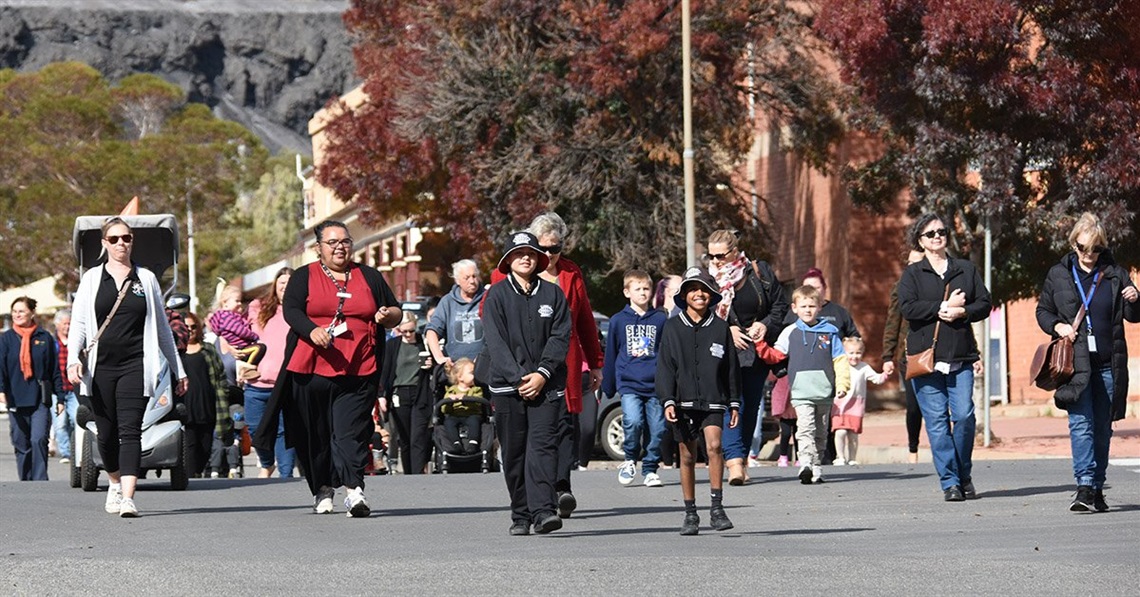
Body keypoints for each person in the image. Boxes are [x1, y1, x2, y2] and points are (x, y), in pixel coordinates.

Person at [252, 220, 401, 517]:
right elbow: (292, 310)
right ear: (318, 248)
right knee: (315, 434)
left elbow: (395, 310)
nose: (340, 247)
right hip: (311, 369)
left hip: (358, 367)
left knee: (350, 431)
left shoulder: (369, 276)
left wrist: (387, 316)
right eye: (332, 243)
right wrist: (310, 330)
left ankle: (355, 491)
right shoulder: (304, 276)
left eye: (345, 241)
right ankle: (322, 487)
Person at [67, 217, 188, 516]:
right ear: (104, 243)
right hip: (100, 368)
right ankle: (114, 482)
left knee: (130, 430)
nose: (122, 243)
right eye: (115, 239)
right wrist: (73, 359)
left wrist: (179, 371)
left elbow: (162, 329)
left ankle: (129, 498)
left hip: (136, 365)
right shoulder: (92, 279)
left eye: (127, 238)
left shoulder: (145, 279)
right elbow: (79, 325)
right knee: (106, 434)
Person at [491, 213, 603, 517]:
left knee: (564, 425)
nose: (550, 255)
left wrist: (595, 362)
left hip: (562, 361)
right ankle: (532, 501)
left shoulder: (570, 274)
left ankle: (561, 486)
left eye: (556, 248)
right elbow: (493, 329)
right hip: (518, 367)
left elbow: (584, 321)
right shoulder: (502, 280)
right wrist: (516, 375)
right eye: (544, 248)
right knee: (525, 439)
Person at [1036, 212, 1139, 512]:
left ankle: (1097, 487)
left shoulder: (1115, 273)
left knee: (1102, 429)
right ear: (1074, 244)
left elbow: (1133, 316)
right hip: (1076, 365)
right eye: (1082, 248)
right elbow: (1043, 311)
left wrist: (1135, 298)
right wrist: (1058, 326)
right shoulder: (1059, 274)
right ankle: (1083, 485)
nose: (1088, 255)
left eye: (1095, 248)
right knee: (1080, 425)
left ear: (1102, 246)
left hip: (1109, 363)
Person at [478, 231, 571, 536]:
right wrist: (518, 378)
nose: (526, 258)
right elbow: (496, 341)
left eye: (531, 253)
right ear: (508, 261)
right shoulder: (497, 296)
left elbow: (560, 337)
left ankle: (544, 511)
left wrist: (543, 373)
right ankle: (520, 515)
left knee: (543, 448)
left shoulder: (553, 295)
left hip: (546, 386)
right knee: (515, 452)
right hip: (508, 388)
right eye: (519, 254)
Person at [897, 214, 991, 502]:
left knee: (964, 417)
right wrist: (942, 306)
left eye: (941, 231)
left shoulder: (965, 269)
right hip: (925, 359)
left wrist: (963, 312)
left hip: (960, 356)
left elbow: (985, 303)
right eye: (930, 234)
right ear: (920, 241)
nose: (937, 236)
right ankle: (950, 482)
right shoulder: (913, 274)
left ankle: (963, 474)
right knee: (937, 423)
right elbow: (907, 308)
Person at [655, 267, 739, 535]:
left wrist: (734, 401)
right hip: (682, 401)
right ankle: (690, 513)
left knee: (714, 446)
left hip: (714, 398)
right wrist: (668, 400)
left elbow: (731, 368)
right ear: (684, 296)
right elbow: (665, 367)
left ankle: (717, 508)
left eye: (704, 289)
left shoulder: (720, 327)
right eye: (693, 289)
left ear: (712, 295)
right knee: (687, 455)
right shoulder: (672, 327)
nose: (699, 294)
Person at [705, 228, 789, 485]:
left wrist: (765, 325)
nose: (716, 261)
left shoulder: (758, 272)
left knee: (751, 406)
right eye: (711, 256)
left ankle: (740, 456)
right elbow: (701, 311)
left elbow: (780, 305)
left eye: (720, 256)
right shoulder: (708, 279)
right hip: (722, 349)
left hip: (755, 350)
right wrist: (728, 328)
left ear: (734, 251)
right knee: (733, 402)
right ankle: (734, 463)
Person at [760, 285, 850, 484]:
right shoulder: (789, 332)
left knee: (821, 431)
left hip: (825, 390)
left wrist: (843, 384)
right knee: (805, 428)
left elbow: (840, 360)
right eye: (803, 306)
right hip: (801, 392)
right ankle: (806, 463)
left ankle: (816, 465)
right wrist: (760, 345)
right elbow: (776, 355)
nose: (808, 310)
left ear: (819, 307)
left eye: (812, 305)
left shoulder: (830, 332)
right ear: (794, 308)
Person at [602, 270, 667, 488]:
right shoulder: (619, 320)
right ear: (626, 292)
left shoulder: (660, 319)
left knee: (657, 428)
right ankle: (630, 459)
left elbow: (666, 353)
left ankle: (650, 469)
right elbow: (611, 353)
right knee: (633, 421)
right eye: (637, 289)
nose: (642, 293)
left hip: (655, 384)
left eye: (646, 288)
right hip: (629, 383)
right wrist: (608, 385)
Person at [0, 297, 64, 480]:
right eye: (14, 311)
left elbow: (54, 370)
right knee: (21, 444)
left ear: (31, 313)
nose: (17, 315)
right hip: (14, 398)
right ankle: (26, 482)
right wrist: (1, 390)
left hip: (39, 399)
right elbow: (1, 368)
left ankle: (40, 481)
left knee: (38, 439)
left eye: (21, 311)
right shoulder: (6, 339)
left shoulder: (44, 338)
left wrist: (60, 397)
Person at [245, 267, 297, 478]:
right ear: (275, 286)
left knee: (284, 432)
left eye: (290, 282)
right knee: (255, 429)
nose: (285, 286)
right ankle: (267, 463)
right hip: (257, 383)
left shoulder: (300, 311)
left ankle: (286, 476)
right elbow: (240, 337)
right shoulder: (258, 307)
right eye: (281, 282)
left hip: (287, 383)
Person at [882, 250, 926, 464]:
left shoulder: (937, 286)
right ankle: (913, 448)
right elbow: (893, 322)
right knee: (914, 405)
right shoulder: (900, 287)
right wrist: (888, 356)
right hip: (908, 355)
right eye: (910, 263)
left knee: (938, 405)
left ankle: (941, 447)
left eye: (918, 263)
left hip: (936, 352)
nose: (913, 267)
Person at [380, 312, 434, 474]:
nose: (409, 335)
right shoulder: (392, 345)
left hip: (420, 392)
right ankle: (409, 474)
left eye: (411, 330)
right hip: (399, 392)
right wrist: (382, 395)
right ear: (398, 330)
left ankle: (417, 473)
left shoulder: (423, 343)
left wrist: (430, 364)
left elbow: (435, 365)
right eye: (405, 331)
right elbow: (385, 371)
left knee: (418, 435)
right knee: (404, 437)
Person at [180, 312, 231, 478]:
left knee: (205, 446)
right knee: (190, 445)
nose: (190, 330)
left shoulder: (208, 350)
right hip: (185, 409)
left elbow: (220, 378)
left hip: (207, 407)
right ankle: (190, 477)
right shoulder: (176, 352)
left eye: (194, 327)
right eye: (186, 327)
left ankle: (196, 472)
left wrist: (223, 398)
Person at [832, 337, 887, 465]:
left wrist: (886, 373)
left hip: (856, 405)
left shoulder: (864, 367)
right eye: (851, 353)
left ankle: (852, 458)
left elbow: (877, 379)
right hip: (839, 404)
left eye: (858, 353)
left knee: (853, 434)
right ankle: (840, 456)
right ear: (844, 352)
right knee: (840, 431)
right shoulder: (840, 366)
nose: (854, 356)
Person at [425, 259, 487, 368]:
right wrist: (439, 357)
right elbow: (432, 331)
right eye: (466, 278)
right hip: (455, 369)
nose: (472, 281)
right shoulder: (447, 302)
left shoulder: (488, 298)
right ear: (457, 280)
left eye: (474, 276)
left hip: (484, 367)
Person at [209, 284, 266, 377]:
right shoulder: (227, 317)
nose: (240, 304)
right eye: (237, 301)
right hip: (239, 347)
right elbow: (240, 330)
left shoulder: (226, 316)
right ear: (225, 302)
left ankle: (246, 368)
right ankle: (247, 368)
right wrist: (254, 337)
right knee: (260, 348)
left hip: (238, 346)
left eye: (240, 301)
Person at [51, 309, 80, 464]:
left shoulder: (76, 343)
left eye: (70, 323)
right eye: (64, 324)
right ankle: (66, 452)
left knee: (76, 419)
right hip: (57, 390)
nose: (67, 327)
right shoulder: (52, 343)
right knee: (60, 423)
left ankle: (77, 450)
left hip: (74, 389)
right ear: (57, 325)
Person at [440, 357, 484, 454]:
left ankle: (473, 443)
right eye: (471, 373)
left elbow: (479, 403)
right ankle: (456, 443)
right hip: (454, 414)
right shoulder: (451, 390)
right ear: (460, 377)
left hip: (471, 413)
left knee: (474, 422)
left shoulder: (476, 389)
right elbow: (443, 408)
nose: (474, 375)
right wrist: (450, 401)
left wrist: (465, 399)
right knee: (449, 423)